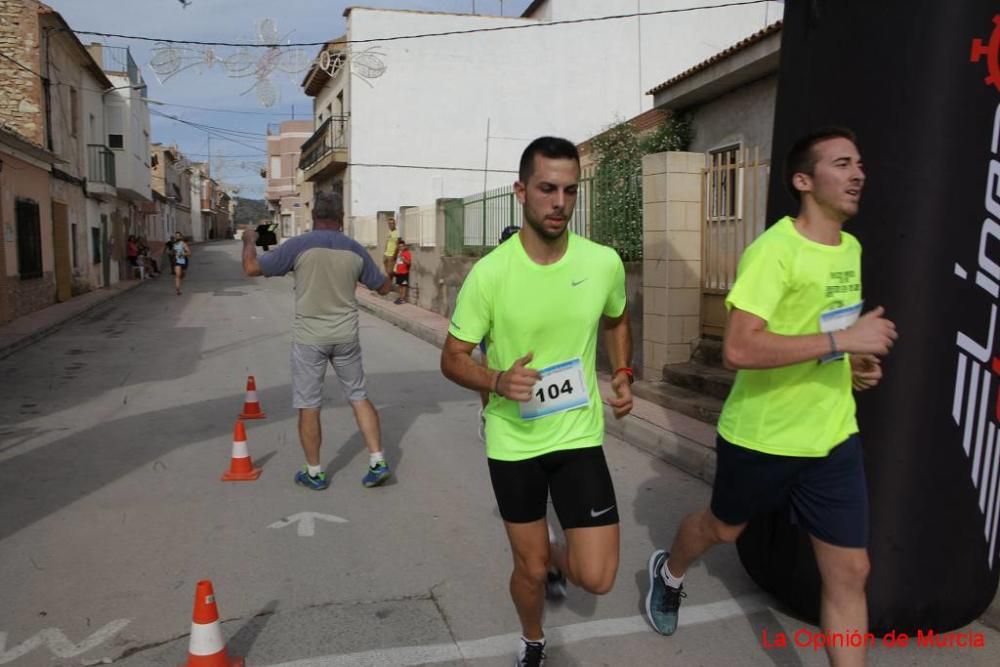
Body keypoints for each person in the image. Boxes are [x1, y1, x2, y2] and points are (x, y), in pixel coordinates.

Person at [644, 128, 897, 667]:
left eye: (860, 163)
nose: (858, 174)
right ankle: (669, 572)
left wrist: (849, 363)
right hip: (762, 437)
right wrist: (841, 341)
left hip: (832, 437)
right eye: (842, 163)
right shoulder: (773, 252)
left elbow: (816, 333)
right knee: (723, 528)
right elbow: (737, 348)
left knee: (853, 573)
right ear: (804, 180)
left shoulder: (849, 249)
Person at [440, 137, 634, 667]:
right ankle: (532, 638)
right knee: (528, 570)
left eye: (570, 191)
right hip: (514, 440)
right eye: (547, 189)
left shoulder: (602, 263)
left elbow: (616, 316)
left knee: (597, 576)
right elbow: (453, 357)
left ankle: (547, 551)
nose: (560, 202)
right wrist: (498, 380)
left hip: (576, 434)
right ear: (521, 191)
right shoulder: (491, 274)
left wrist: (621, 371)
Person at [242, 191, 396, 490]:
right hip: (346, 336)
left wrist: (250, 240)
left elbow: (251, 268)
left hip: (309, 339)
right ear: (340, 218)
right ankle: (377, 461)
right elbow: (383, 287)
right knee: (358, 396)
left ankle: (314, 472)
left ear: (314, 217)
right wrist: (389, 270)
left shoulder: (298, 246)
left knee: (309, 405)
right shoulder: (355, 250)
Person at [392, 239, 412, 305]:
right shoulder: (399, 253)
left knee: (403, 286)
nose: (401, 248)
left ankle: (403, 299)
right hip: (398, 272)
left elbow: (408, 263)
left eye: (402, 246)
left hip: (404, 272)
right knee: (399, 286)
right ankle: (400, 298)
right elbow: (397, 262)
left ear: (404, 246)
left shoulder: (407, 253)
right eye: (400, 246)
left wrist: (403, 259)